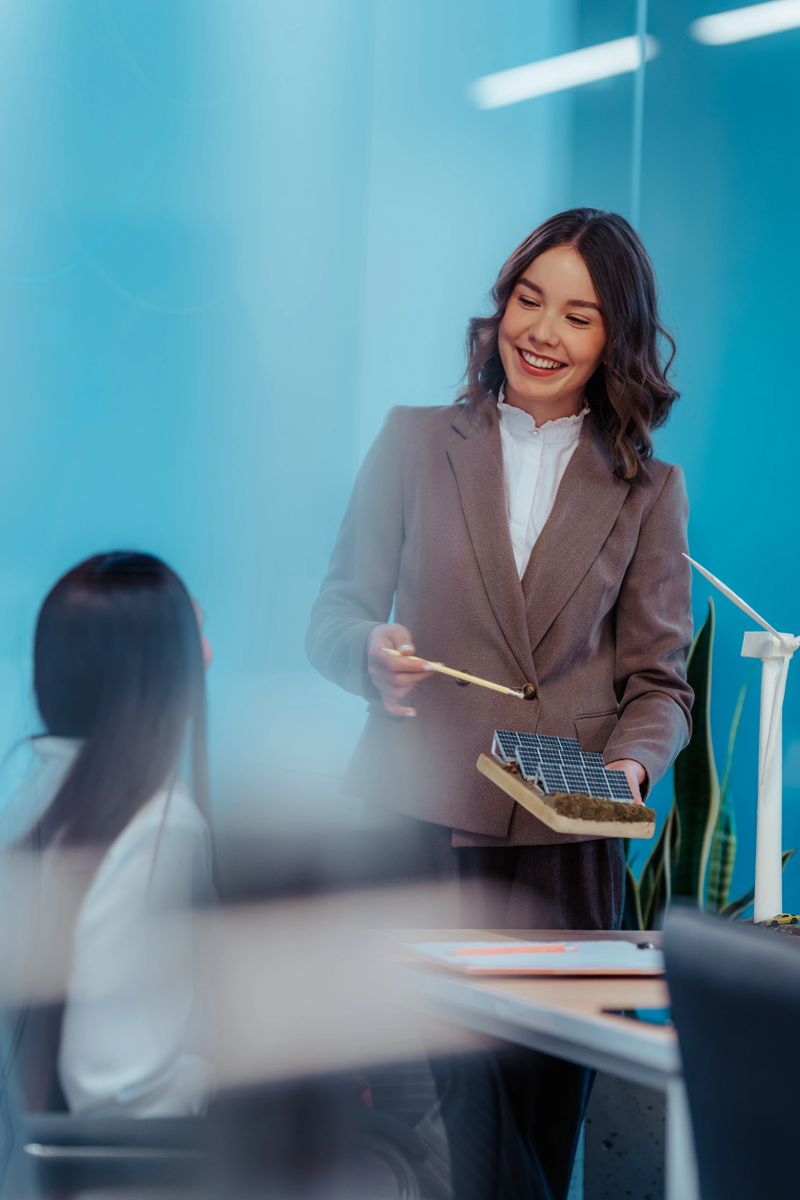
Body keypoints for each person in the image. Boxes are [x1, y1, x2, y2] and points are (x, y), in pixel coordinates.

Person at [307, 208, 693, 1198]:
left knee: (532, 1135)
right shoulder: (412, 440)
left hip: (564, 850)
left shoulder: (648, 489)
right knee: (418, 1133)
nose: (542, 332)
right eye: (529, 300)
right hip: (410, 830)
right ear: (500, 306)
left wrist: (628, 766)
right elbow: (336, 613)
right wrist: (370, 651)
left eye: (577, 315)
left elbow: (658, 682)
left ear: (614, 339)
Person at [7, 551, 214, 1117]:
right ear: (153, 674)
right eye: (194, 638)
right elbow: (115, 1086)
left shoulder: (33, 807)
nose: (210, 658)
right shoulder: (158, 827)